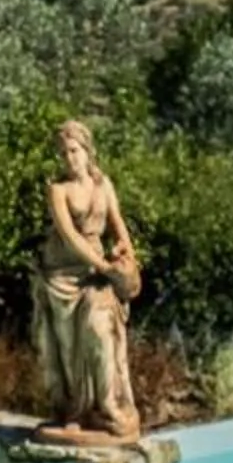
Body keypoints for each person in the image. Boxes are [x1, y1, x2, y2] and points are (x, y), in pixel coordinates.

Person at [34, 118, 142, 441]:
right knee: (68, 348)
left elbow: (117, 225)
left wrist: (126, 253)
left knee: (99, 330)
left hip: (95, 277)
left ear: (87, 151)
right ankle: (74, 410)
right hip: (62, 277)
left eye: (75, 150)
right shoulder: (58, 190)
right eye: (64, 153)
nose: (70, 158)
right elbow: (70, 238)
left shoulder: (103, 185)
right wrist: (102, 265)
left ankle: (108, 406)